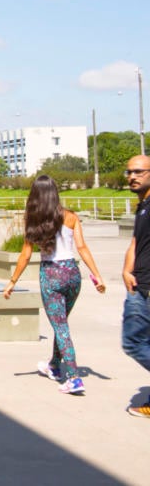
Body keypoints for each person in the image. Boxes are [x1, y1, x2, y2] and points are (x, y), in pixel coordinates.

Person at [3, 175, 106, 395]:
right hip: (72, 273)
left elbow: (26, 254)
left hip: (51, 275)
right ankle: (54, 366)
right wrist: (97, 275)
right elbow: (82, 247)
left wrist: (12, 281)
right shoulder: (70, 216)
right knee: (62, 324)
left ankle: (73, 377)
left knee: (60, 327)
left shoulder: (33, 219)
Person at [121, 155, 150, 417]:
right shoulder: (142, 206)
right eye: (129, 172)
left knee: (133, 343)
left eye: (139, 171)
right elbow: (135, 242)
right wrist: (126, 269)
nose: (132, 176)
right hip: (138, 285)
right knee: (139, 341)